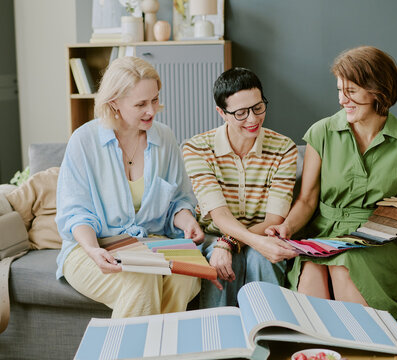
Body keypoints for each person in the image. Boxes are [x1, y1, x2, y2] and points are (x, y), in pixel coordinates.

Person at [266, 46, 397, 322]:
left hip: (377, 239)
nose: (342, 100)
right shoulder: (321, 132)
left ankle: (362, 346)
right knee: (313, 271)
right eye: (339, 90)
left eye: (350, 91)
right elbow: (306, 200)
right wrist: (286, 227)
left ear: (378, 91)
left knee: (345, 264)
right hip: (325, 231)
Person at [55, 56, 205, 318]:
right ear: (114, 102)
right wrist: (92, 249)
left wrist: (187, 220)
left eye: (155, 100)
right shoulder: (84, 141)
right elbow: (76, 212)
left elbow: (178, 201)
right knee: (142, 281)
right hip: (92, 246)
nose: (152, 111)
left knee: (185, 278)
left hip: (151, 243)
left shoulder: (165, 138)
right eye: (141, 104)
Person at [182, 67, 298, 308]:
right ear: (222, 113)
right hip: (215, 234)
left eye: (258, 108)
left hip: (264, 233)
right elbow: (219, 215)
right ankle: (218, 337)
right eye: (241, 113)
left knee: (262, 259)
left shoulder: (284, 148)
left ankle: (269, 338)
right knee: (222, 260)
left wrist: (231, 243)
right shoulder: (196, 148)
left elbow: (274, 219)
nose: (253, 119)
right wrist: (225, 243)